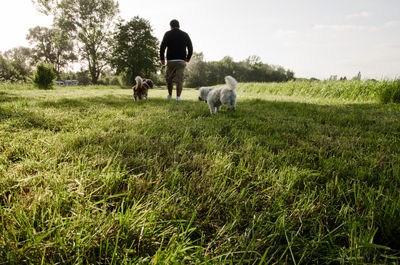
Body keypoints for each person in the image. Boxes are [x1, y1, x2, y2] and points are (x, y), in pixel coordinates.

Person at [160, 19, 193, 101]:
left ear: (170, 26)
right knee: (180, 80)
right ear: (179, 26)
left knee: (169, 79)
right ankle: (178, 98)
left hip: (171, 60)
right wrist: (188, 58)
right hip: (181, 60)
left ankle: (170, 96)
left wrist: (162, 58)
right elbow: (190, 48)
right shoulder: (185, 34)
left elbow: (162, 47)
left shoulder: (167, 34)